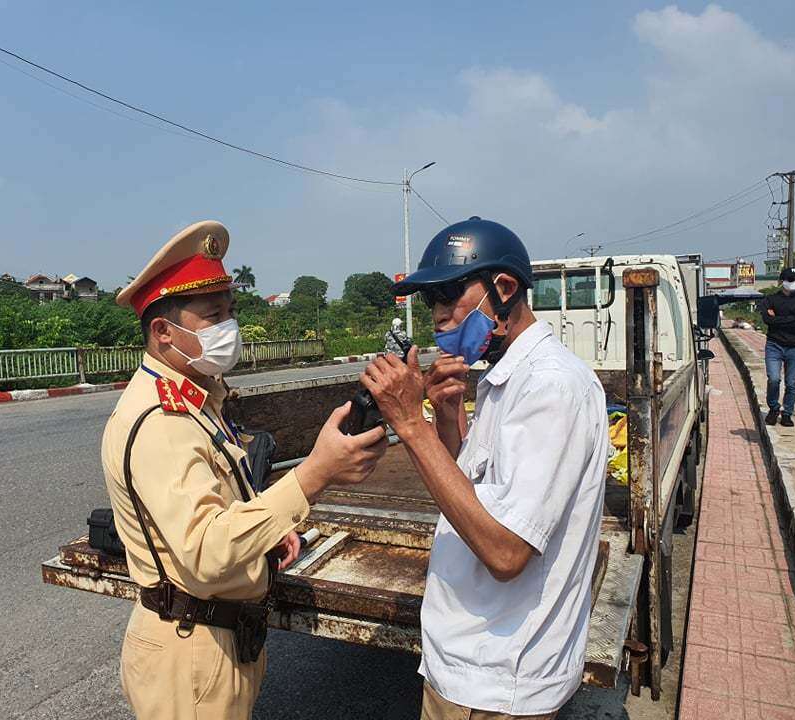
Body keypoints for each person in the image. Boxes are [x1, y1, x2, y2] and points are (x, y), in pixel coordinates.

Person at [103, 220, 388, 720]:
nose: (228, 327)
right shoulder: (160, 420)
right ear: (163, 332)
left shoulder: (197, 400)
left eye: (230, 312)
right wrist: (314, 474)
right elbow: (207, 552)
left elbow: (217, 508)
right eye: (213, 316)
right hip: (189, 649)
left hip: (213, 637)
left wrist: (267, 536)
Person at [361, 217, 608, 719]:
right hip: (468, 666)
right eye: (432, 303)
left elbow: (505, 551)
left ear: (505, 289)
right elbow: (471, 493)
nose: (440, 317)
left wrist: (411, 424)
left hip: (497, 682)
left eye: (451, 296)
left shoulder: (551, 388)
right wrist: (448, 417)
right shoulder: (504, 379)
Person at [759, 267, 795, 427]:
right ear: (783, 281)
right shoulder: (770, 299)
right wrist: (791, 319)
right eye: (790, 279)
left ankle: (787, 413)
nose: (793, 283)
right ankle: (774, 408)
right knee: (774, 379)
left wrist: (778, 318)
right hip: (774, 345)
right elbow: (767, 319)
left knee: (791, 383)